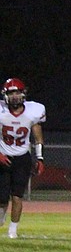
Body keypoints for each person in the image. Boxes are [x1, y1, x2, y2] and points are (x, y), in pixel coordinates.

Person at [0, 78, 46, 239]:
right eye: (11, 93)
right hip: (3, 156)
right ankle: (2, 218)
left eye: (17, 92)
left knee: (17, 196)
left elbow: (37, 136)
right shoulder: (1, 111)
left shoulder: (34, 111)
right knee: (2, 198)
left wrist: (40, 158)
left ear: (23, 93)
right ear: (5, 95)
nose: (14, 96)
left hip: (22, 158)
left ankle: (13, 230)